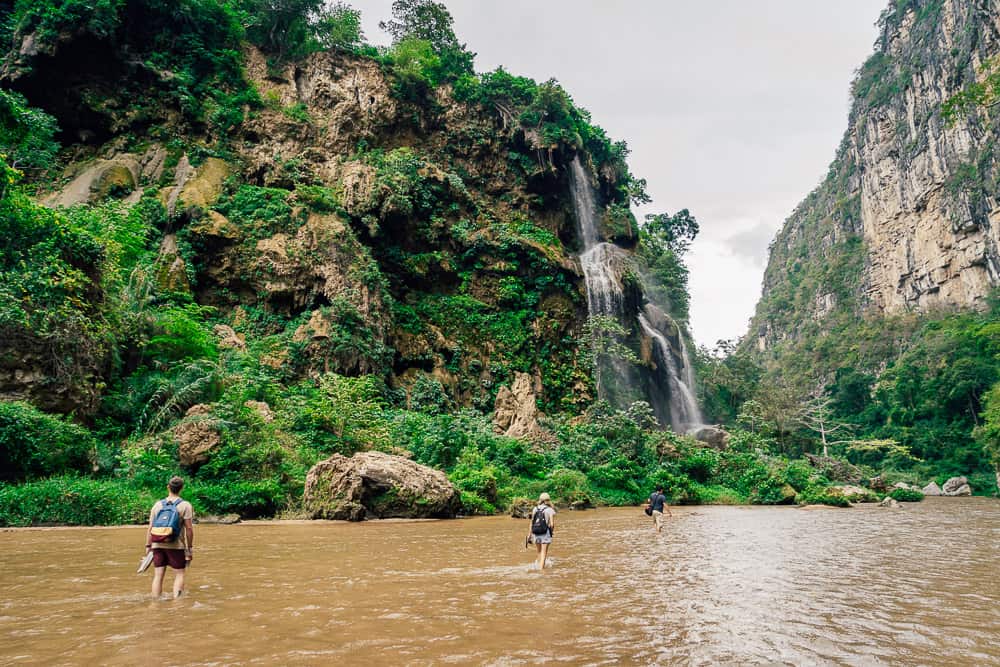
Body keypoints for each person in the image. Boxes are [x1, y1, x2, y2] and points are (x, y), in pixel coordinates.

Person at [146, 476, 195, 598]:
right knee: (179, 574)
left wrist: (148, 546)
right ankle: (178, 603)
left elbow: (150, 528)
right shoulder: (185, 505)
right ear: (181, 488)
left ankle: (155, 603)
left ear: (168, 487)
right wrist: (189, 548)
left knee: (158, 575)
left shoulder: (157, 505)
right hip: (176, 545)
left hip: (157, 544)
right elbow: (189, 529)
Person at [528, 492, 556, 569]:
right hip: (545, 533)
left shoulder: (535, 509)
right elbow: (552, 524)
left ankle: (537, 566)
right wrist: (551, 532)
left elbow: (532, 522)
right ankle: (541, 570)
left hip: (536, 532)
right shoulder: (550, 510)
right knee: (544, 553)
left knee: (539, 552)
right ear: (548, 500)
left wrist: (529, 535)